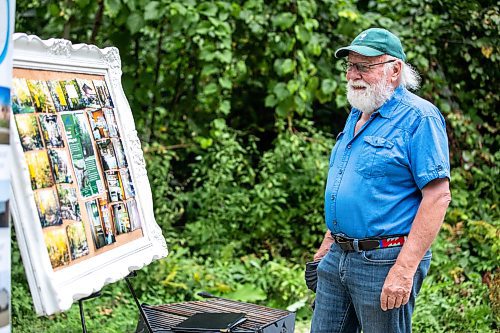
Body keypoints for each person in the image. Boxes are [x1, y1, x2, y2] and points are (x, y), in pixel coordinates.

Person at [310, 28, 451, 333]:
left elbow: (438, 197)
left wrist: (404, 269)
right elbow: (351, 183)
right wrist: (329, 241)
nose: (352, 75)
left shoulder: (419, 118)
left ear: (395, 70)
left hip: (384, 260)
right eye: (350, 66)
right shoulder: (359, 111)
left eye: (363, 66)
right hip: (339, 258)